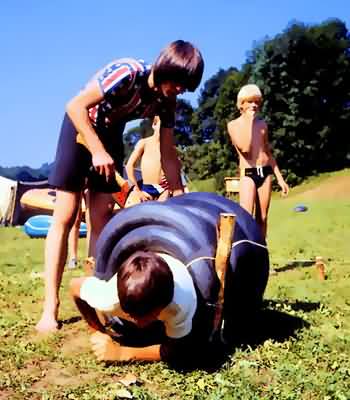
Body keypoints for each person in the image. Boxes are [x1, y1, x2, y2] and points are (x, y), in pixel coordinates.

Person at [36, 40, 204, 333]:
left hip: (111, 133)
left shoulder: (167, 101)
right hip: (80, 126)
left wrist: (179, 196)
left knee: (102, 215)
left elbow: (168, 151)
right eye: (179, 83)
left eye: (186, 87)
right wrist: (97, 149)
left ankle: (98, 293)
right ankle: (50, 308)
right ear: (166, 67)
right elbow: (75, 105)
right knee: (66, 213)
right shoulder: (127, 72)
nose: (180, 91)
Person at [69, 192, 270, 366]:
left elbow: (178, 351)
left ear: (165, 303)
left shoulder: (180, 304)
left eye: (147, 315)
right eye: (132, 315)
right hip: (162, 239)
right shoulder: (109, 296)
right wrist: (96, 330)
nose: (139, 323)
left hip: (198, 239)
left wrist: (124, 353)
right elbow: (74, 286)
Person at [227, 84, 289, 239]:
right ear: (241, 104)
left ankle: (261, 255)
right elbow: (245, 149)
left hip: (265, 173)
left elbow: (268, 153)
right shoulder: (233, 125)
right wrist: (248, 121)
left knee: (262, 218)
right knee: (246, 217)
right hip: (248, 174)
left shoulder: (262, 125)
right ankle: (245, 253)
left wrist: (280, 180)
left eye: (256, 102)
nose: (254, 105)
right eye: (250, 101)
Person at [125, 115, 172, 204]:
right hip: (147, 188)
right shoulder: (144, 142)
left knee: (161, 209)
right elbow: (129, 166)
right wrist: (137, 190)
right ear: (154, 125)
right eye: (163, 124)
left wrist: (170, 177)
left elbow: (176, 166)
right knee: (135, 205)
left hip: (164, 188)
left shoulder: (169, 147)